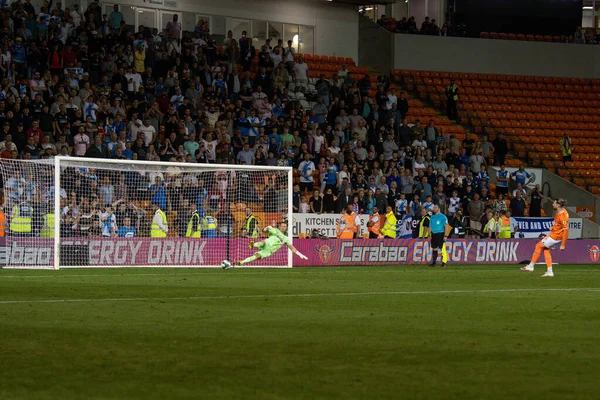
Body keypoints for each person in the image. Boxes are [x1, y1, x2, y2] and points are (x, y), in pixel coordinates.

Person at [521, 198, 569, 277]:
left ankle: (531, 266)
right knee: (546, 250)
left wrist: (563, 244)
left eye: (554, 203)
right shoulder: (559, 212)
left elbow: (566, 231)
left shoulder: (563, 216)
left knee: (538, 246)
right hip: (554, 234)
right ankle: (549, 271)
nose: (552, 204)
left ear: (558, 205)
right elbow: (557, 223)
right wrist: (553, 227)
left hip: (556, 236)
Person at [228, 222, 307, 268]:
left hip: (269, 251)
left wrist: (300, 254)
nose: (283, 227)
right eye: (282, 226)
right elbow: (265, 230)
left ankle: (242, 262)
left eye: (285, 226)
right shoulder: (275, 230)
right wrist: (266, 228)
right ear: (279, 227)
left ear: (286, 228)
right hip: (267, 243)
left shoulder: (286, 238)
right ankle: (253, 245)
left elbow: (292, 248)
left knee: (257, 256)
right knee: (265, 242)